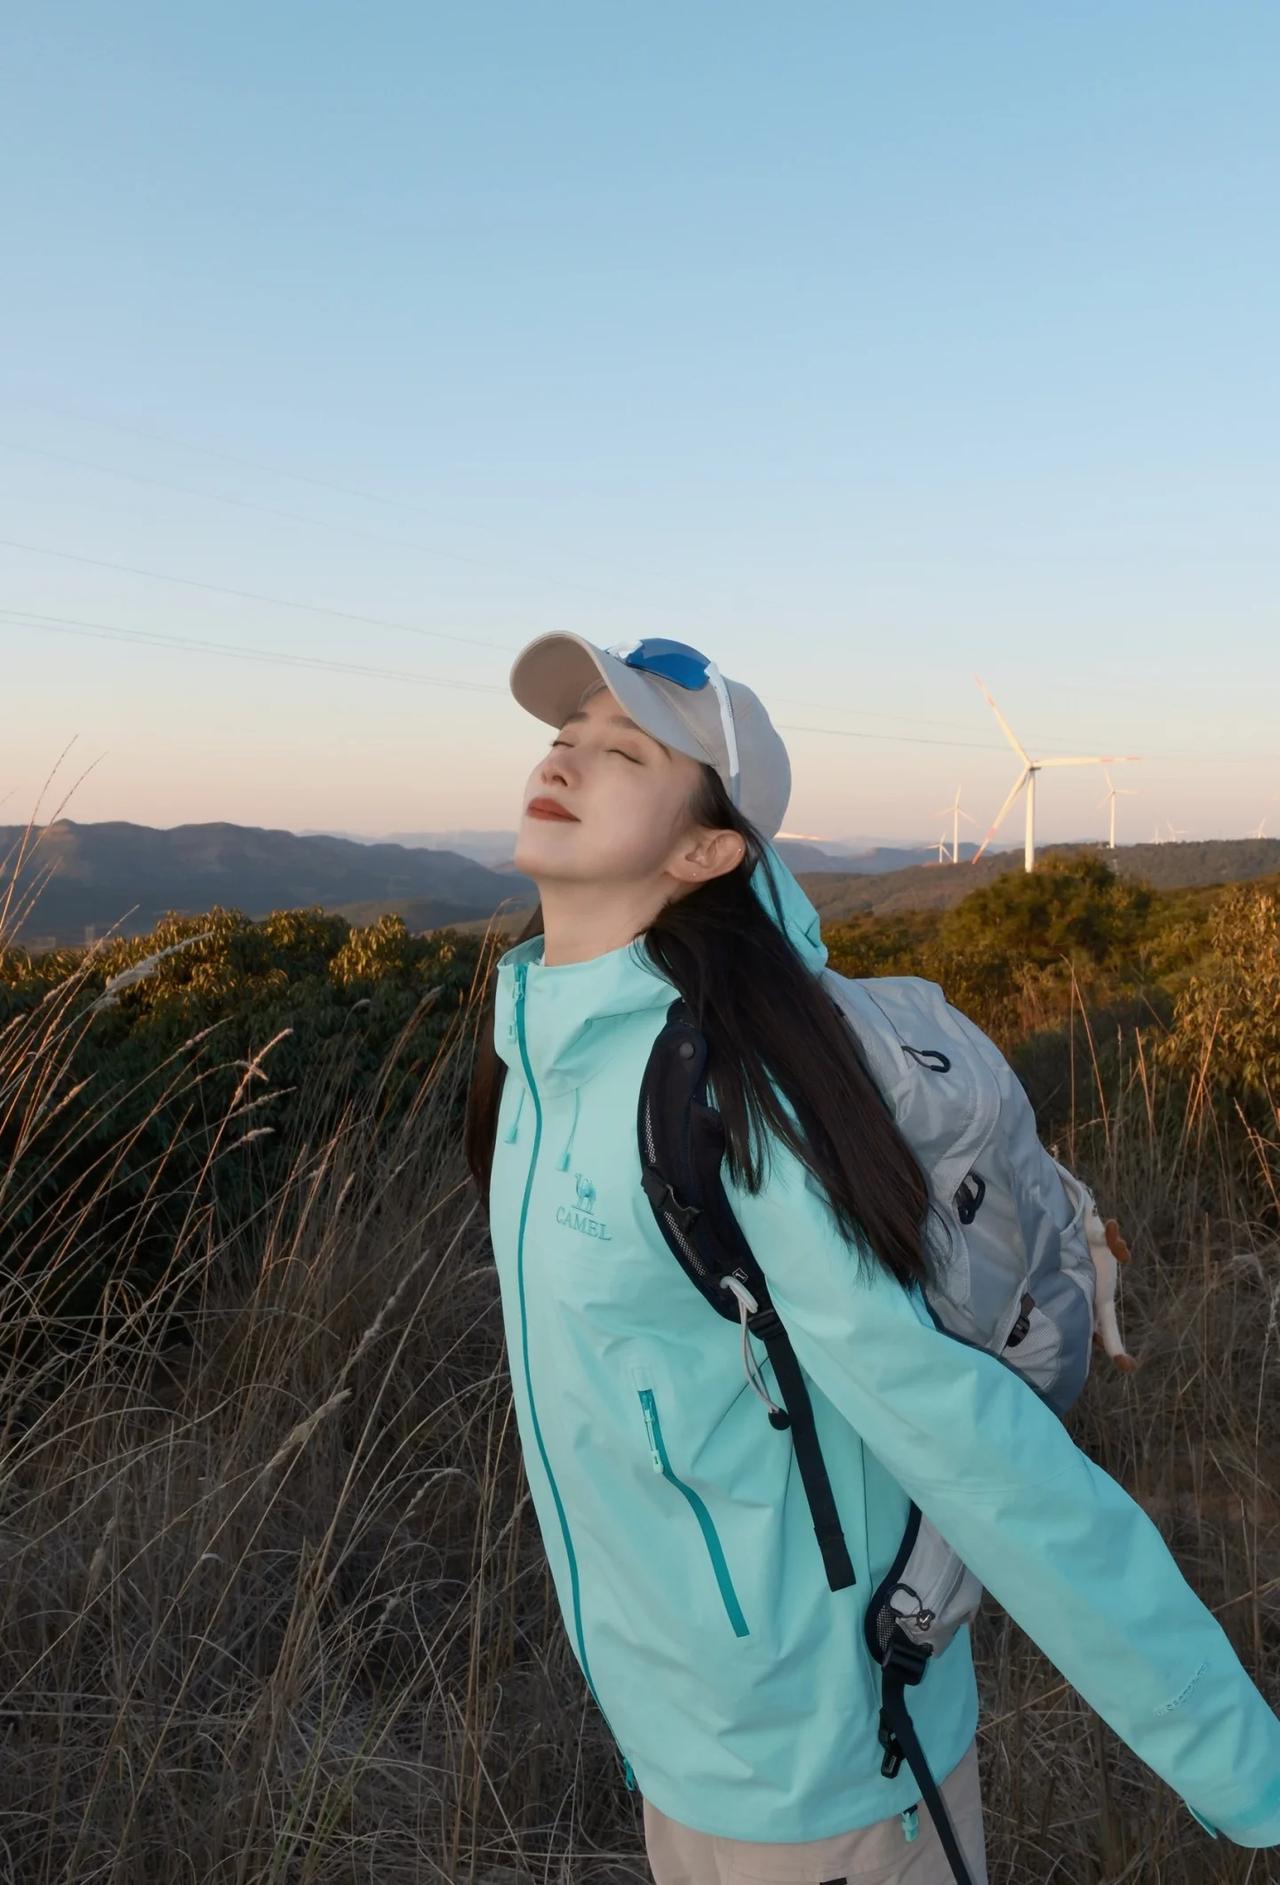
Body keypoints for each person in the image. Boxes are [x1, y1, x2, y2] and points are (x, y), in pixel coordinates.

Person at [464, 632, 1280, 1884]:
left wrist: (1248, 1772)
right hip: (676, 1744)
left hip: (832, 1764)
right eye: (565, 736)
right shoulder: (532, 1056)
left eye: (623, 752)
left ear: (705, 852)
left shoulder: (729, 1099)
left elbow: (974, 1445)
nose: (564, 759)